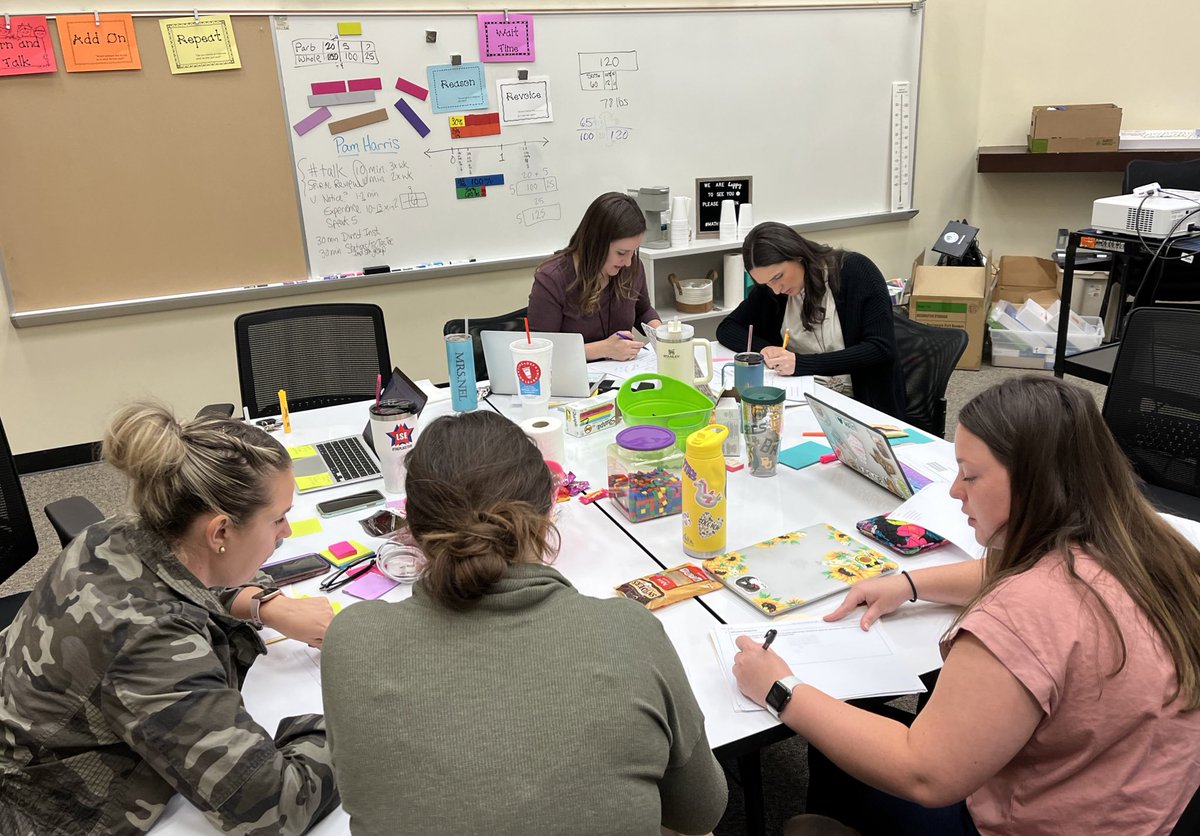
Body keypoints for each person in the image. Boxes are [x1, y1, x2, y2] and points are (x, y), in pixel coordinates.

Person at [731, 376, 1200, 835]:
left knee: (835, 731)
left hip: (1032, 818)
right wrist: (909, 582)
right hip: (1147, 805)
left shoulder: (1021, 612)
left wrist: (780, 688)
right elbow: (1020, 573)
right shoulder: (1152, 546)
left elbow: (924, 773)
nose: (956, 490)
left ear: (1035, 483)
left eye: (971, 475)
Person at [321, 410, 727, 836]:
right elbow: (700, 812)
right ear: (549, 508)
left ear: (411, 529)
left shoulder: (352, 640)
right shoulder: (627, 632)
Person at [0, 404, 339, 835]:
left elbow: (189, 577)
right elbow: (274, 810)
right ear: (219, 533)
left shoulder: (110, 534)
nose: (286, 532)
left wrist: (262, 603)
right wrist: (349, 720)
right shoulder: (151, 640)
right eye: (277, 518)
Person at [716, 222, 905, 419]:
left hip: (864, 403)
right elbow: (727, 328)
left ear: (798, 255)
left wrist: (801, 363)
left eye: (778, 277)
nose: (776, 289)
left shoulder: (856, 271)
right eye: (766, 283)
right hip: (807, 397)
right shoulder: (772, 290)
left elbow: (880, 349)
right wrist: (764, 348)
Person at [527, 191, 663, 361]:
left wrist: (662, 334)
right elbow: (541, 350)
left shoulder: (631, 267)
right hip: (572, 380)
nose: (628, 262)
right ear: (596, 243)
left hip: (621, 377)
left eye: (633, 252)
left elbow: (643, 311)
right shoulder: (552, 279)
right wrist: (604, 349)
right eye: (621, 252)